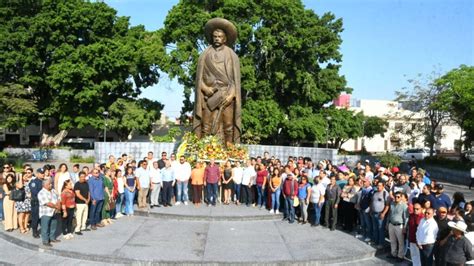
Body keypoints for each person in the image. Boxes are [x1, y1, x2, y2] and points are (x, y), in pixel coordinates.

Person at [192, 18, 241, 144]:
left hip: (226, 94)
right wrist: (205, 89)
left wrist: (231, 95)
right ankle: (202, 150)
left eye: (220, 36)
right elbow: (198, 80)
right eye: (215, 36)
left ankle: (230, 151)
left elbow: (236, 81)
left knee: (228, 126)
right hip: (209, 97)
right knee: (206, 126)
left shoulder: (232, 55)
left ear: (225, 38)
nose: (217, 38)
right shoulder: (204, 55)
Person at [386, 191, 409, 262]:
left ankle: (400, 256)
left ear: (401, 197)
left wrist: (405, 227)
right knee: (392, 240)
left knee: (401, 242)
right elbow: (389, 214)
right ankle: (393, 254)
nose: (396, 198)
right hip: (391, 224)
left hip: (399, 226)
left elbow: (406, 218)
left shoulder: (404, 206)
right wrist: (387, 223)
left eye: (398, 197)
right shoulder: (392, 203)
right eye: (395, 196)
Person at [38, 178, 60, 248]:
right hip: (46, 213)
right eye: (49, 184)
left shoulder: (53, 190)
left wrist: (58, 204)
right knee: (45, 227)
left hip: (54, 212)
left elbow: (58, 198)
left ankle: (52, 238)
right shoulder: (41, 193)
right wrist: (57, 207)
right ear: (44, 185)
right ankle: (45, 241)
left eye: (51, 183)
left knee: (53, 226)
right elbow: (47, 203)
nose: (51, 185)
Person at [370, 181, 390, 249]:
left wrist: (383, 213)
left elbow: (387, 205)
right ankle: (375, 241)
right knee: (375, 228)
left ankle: (381, 243)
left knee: (381, 229)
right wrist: (371, 210)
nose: (378, 187)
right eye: (377, 185)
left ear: (383, 186)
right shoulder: (375, 192)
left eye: (380, 185)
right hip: (374, 213)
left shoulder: (385, 193)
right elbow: (372, 201)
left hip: (380, 214)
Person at [29, 168, 45, 238]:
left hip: (43, 203)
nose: (43, 174)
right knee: (35, 218)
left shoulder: (44, 181)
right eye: (41, 173)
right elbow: (35, 192)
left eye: (43, 173)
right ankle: (34, 232)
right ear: (37, 174)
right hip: (36, 202)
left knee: (42, 218)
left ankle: (44, 230)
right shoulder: (33, 182)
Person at [74, 171, 90, 235]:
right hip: (79, 203)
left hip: (86, 203)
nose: (83, 178)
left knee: (85, 216)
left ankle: (83, 227)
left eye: (84, 176)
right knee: (79, 216)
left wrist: (88, 199)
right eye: (81, 177)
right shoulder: (77, 184)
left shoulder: (86, 183)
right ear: (79, 177)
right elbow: (77, 194)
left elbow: (88, 192)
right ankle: (77, 229)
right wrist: (84, 199)